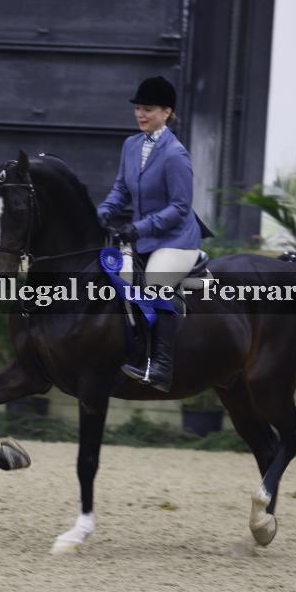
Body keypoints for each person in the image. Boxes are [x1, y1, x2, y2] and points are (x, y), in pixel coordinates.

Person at [96, 75, 213, 392]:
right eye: (138, 108)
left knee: (156, 284)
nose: (140, 114)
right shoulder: (131, 145)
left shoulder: (175, 154)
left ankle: (161, 366)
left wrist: (139, 227)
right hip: (143, 238)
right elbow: (121, 189)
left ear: (167, 112)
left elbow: (179, 207)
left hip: (176, 240)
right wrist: (104, 211)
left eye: (147, 109)